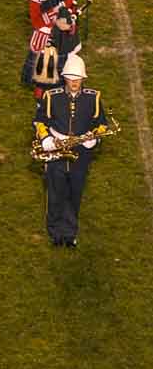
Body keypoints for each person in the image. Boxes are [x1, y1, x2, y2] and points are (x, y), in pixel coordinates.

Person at [33, 52, 109, 247]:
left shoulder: (93, 98)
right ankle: (55, 233)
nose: (74, 82)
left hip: (81, 153)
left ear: (83, 78)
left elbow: (102, 124)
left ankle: (70, 233)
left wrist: (94, 140)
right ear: (65, 78)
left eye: (78, 79)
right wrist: (46, 139)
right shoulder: (51, 97)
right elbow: (39, 121)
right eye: (71, 78)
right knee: (55, 193)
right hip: (56, 150)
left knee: (74, 193)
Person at [21, 0, 80, 97]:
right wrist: (56, 20)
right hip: (44, 35)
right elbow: (36, 20)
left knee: (60, 64)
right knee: (42, 65)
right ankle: (40, 92)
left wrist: (71, 21)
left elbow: (70, 10)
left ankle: (58, 86)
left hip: (61, 37)